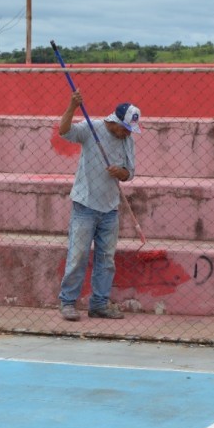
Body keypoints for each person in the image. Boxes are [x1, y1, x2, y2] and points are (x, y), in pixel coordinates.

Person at [57, 91, 141, 321]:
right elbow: (64, 131)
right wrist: (72, 106)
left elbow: (129, 173)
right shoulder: (91, 128)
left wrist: (120, 172)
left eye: (130, 130)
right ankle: (67, 302)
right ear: (115, 121)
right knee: (78, 255)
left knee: (106, 259)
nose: (127, 133)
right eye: (125, 128)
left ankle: (99, 304)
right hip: (85, 204)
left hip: (110, 207)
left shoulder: (128, 140)